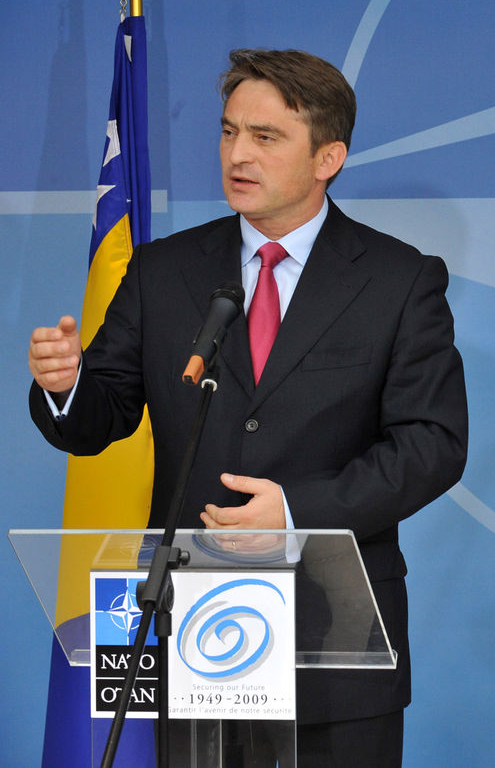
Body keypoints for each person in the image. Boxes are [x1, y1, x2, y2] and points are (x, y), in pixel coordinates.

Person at [28, 49, 467, 766]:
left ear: (329, 156)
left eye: (266, 138)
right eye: (230, 132)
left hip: (334, 638)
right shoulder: (162, 271)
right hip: (193, 631)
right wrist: (65, 385)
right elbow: (97, 416)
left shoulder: (398, 281)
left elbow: (431, 445)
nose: (238, 154)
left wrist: (297, 511)